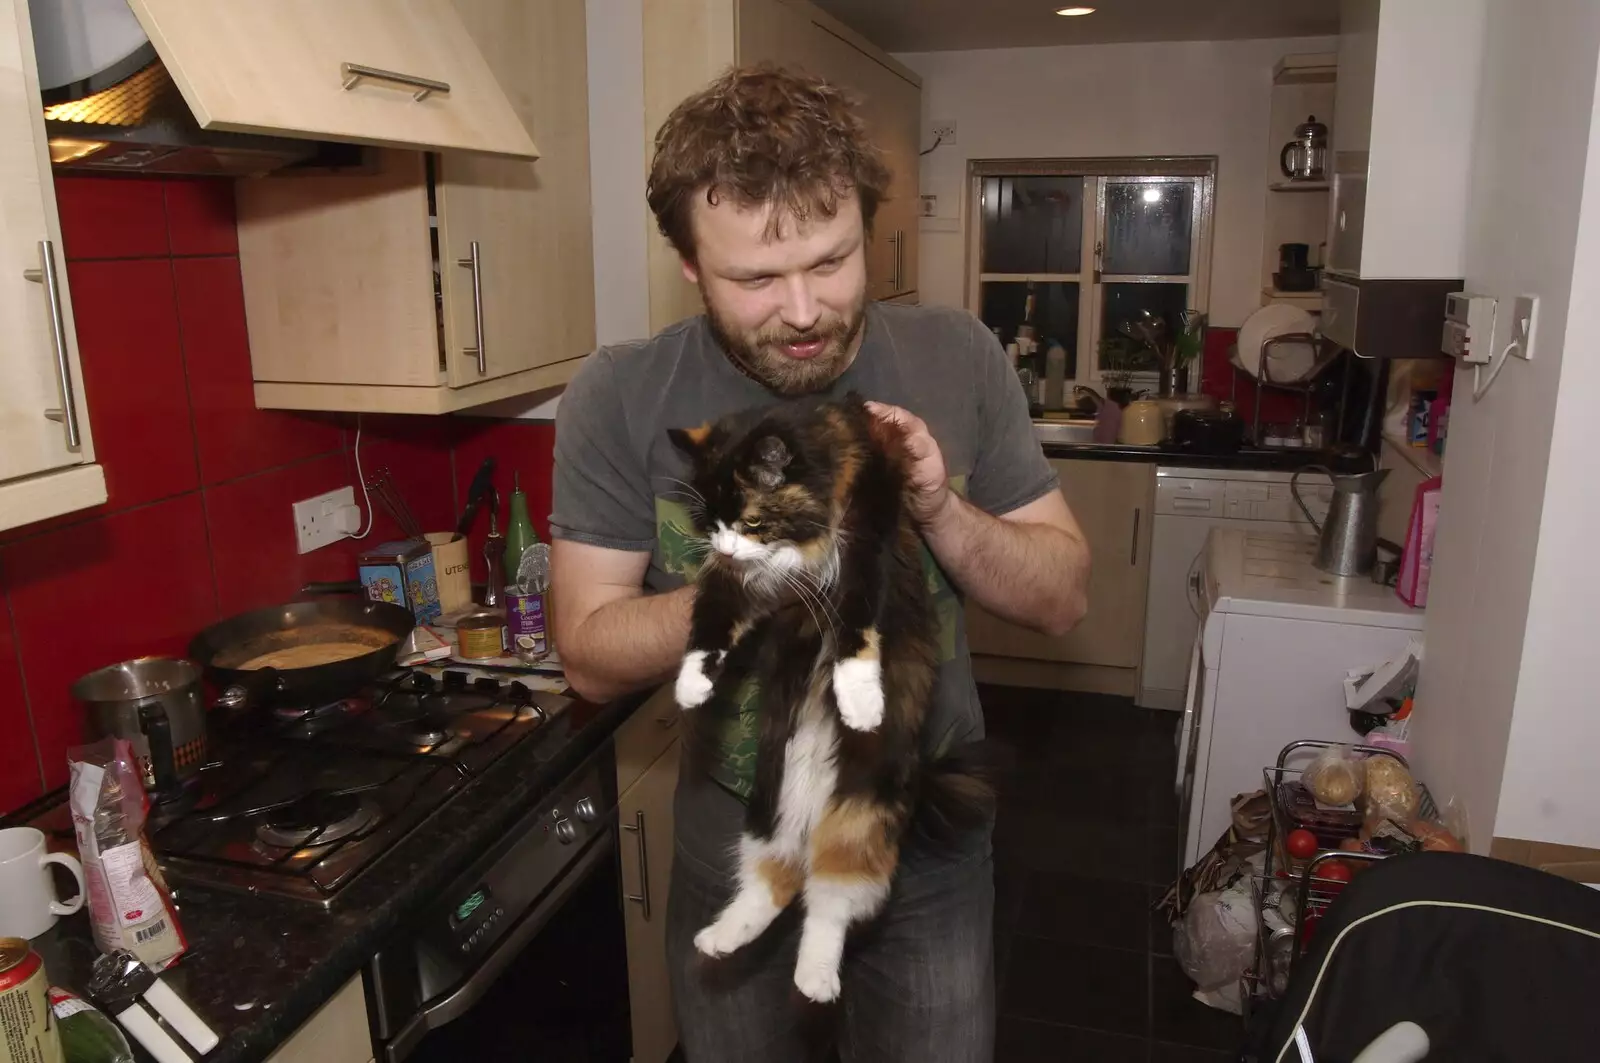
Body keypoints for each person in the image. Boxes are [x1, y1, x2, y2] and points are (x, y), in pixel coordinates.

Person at [549, 65, 1091, 1063]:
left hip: (926, 843)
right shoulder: (620, 393)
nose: (803, 310)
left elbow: (1060, 596)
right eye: (754, 278)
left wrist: (937, 505)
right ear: (687, 264)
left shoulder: (959, 356)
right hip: (734, 843)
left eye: (833, 262)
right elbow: (586, 651)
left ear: (869, 232)